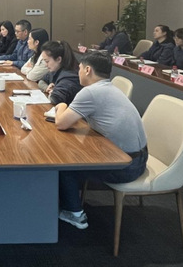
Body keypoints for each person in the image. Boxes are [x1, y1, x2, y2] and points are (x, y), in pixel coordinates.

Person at [55, 51, 147, 230]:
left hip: (126, 166)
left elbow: (61, 123)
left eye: (79, 68)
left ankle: (75, 214)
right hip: (137, 157)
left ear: (88, 70)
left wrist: (62, 105)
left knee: (64, 163)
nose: (78, 72)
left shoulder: (90, 92)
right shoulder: (109, 88)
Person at [41, 41, 82, 106]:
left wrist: (53, 91)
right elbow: (41, 81)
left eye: (47, 61)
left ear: (58, 59)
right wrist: (47, 88)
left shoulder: (70, 77)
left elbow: (55, 99)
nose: (46, 65)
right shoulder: (56, 69)